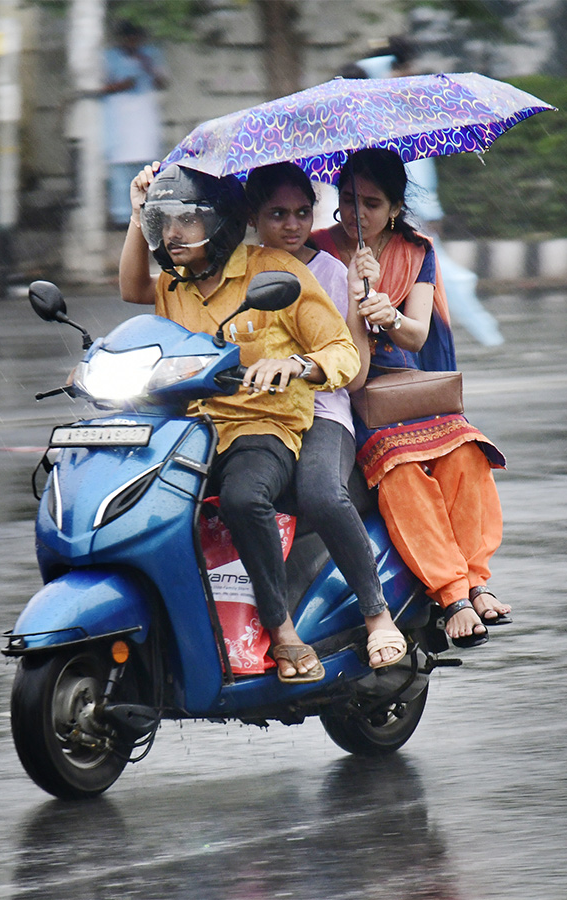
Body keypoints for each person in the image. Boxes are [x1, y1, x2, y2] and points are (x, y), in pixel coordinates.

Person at [119, 161, 361, 682]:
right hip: (191, 426)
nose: (174, 232)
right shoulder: (175, 283)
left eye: (188, 219)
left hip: (263, 421)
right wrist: (139, 213)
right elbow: (130, 291)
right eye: (166, 221)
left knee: (242, 499)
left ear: (225, 222)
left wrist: (295, 364)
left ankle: (282, 630)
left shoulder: (274, 271)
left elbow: (342, 350)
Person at [311, 148, 512, 647]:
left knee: (466, 452)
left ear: (395, 208)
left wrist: (389, 313)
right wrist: (354, 293)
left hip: (407, 384)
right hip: (349, 387)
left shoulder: (415, 250)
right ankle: (454, 594)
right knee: (399, 470)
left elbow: (417, 336)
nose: (357, 214)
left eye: (372, 204)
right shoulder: (316, 249)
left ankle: (477, 577)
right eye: (349, 200)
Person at [245, 162, 407, 668]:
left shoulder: (332, 272)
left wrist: (360, 298)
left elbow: (353, 375)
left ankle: (377, 613)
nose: (292, 225)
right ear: (253, 217)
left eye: (301, 212)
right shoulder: (235, 270)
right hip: (252, 415)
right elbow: (143, 291)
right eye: (277, 214)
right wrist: (143, 218)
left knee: (319, 492)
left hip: (321, 410)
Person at [354, 37, 505, 347]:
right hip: (404, 216)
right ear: (397, 67)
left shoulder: (373, 103)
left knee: (426, 282)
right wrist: (429, 214)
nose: (411, 74)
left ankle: (481, 333)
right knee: (434, 280)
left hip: (403, 214)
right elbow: (416, 171)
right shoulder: (395, 110)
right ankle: (485, 335)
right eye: (407, 68)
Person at [102, 22, 168, 227]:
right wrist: (120, 85)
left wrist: (146, 63)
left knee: (146, 166)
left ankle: (149, 211)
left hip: (143, 116)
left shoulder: (150, 55)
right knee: (121, 170)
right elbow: (97, 86)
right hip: (119, 117)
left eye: (136, 39)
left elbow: (162, 82)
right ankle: (122, 216)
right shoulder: (108, 57)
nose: (132, 43)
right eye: (128, 39)